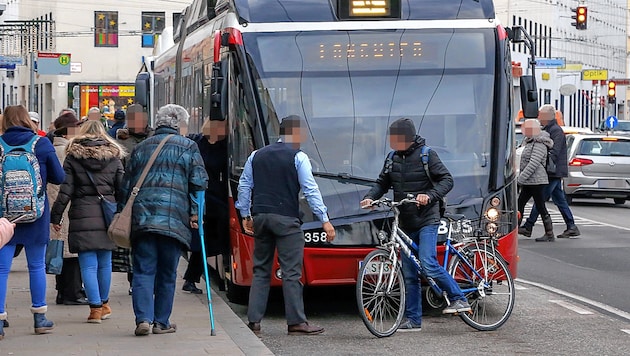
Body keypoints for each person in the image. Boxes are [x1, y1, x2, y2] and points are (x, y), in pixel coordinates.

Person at [360, 118, 470, 332]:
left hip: (427, 218)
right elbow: (382, 183)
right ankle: (413, 320)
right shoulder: (392, 158)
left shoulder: (427, 155)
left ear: (407, 138)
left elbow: (447, 180)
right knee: (409, 274)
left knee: (428, 263)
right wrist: (370, 198)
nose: (391, 142)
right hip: (405, 221)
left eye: (395, 138)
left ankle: (459, 298)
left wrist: (429, 196)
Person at [236, 115, 336, 336]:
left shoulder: (256, 155)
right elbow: (310, 190)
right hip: (286, 220)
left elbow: (244, 185)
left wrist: (245, 214)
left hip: (261, 217)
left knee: (261, 270)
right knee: (291, 271)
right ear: (296, 133)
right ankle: (296, 322)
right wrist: (325, 220)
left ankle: (254, 321)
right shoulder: (298, 157)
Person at [122, 104, 208, 336]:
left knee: (143, 269)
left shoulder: (141, 147)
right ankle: (161, 322)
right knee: (168, 273)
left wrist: (124, 213)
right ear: (179, 125)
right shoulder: (189, 146)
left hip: (143, 217)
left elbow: (126, 185)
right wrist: (195, 214)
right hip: (174, 218)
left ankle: (143, 318)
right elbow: (199, 183)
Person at [0, 105, 65, 339]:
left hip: (3, 216)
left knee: (1, 269)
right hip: (36, 213)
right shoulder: (41, 143)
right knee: (36, 266)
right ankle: (40, 318)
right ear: (27, 119)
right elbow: (59, 177)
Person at [50, 120, 125, 323]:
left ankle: (94, 310)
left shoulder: (73, 157)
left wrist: (55, 217)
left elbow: (65, 191)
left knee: (88, 266)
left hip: (82, 214)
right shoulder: (114, 157)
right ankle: (105, 304)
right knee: (105, 264)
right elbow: (122, 190)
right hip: (107, 216)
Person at [519, 105, 580, 240]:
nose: (539, 117)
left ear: (547, 117)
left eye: (541, 115)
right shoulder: (547, 130)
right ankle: (571, 226)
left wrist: (543, 164)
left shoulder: (555, 131)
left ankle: (530, 226)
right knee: (559, 200)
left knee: (539, 200)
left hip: (552, 172)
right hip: (552, 172)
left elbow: (554, 152)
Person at [182, 119, 229, 294]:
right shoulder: (197, 142)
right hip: (199, 195)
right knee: (203, 239)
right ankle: (191, 278)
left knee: (212, 238)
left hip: (217, 195)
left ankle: (193, 278)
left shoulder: (225, 146)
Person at [113, 104, 154, 295]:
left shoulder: (154, 137)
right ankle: (134, 279)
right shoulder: (121, 141)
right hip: (130, 198)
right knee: (134, 242)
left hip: (152, 196)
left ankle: (149, 277)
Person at [48, 112, 88, 306]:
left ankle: (62, 291)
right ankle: (73, 293)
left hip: (55, 204)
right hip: (67, 205)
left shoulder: (53, 148)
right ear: (68, 131)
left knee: (60, 248)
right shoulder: (67, 151)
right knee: (72, 249)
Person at [516, 119, 555, 242]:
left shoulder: (539, 143)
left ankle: (549, 233)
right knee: (519, 204)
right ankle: (517, 230)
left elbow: (534, 163)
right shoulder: (530, 141)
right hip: (530, 180)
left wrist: (520, 179)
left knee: (540, 206)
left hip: (537, 180)